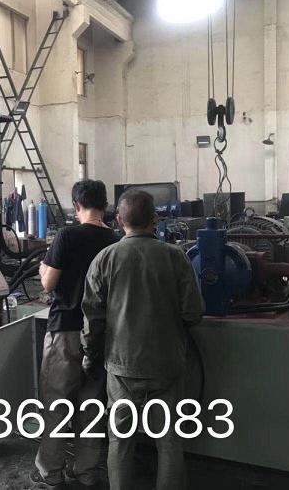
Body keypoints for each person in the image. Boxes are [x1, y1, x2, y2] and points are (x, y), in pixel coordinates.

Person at [82, 190, 204, 490]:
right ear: (155, 220)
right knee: (169, 440)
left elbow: (92, 319)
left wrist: (90, 354)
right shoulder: (175, 257)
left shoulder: (104, 259)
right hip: (167, 365)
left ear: (118, 220)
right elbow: (193, 313)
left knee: (120, 441)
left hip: (121, 367)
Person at [31, 179, 119, 488]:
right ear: (105, 206)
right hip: (101, 334)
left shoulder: (67, 236)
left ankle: (51, 472)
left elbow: (48, 283)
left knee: (57, 402)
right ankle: (86, 471)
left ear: (76, 206)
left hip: (65, 329)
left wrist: (43, 269)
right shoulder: (116, 240)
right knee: (91, 405)